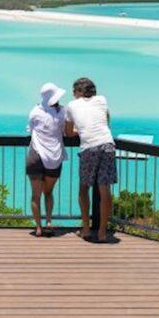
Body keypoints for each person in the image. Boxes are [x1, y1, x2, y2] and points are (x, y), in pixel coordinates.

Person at [64, 77, 115, 243]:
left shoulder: (71, 106)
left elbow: (69, 133)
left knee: (83, 188)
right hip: (107, 144)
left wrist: (79, 131)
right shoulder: (102, 100)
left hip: (89, 147)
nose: (73, 95)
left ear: (79, 91)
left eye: (74, 91)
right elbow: (106, 121)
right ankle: (102, 232)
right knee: (105, 190)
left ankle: (86, 229)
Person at [27, 82, 67, 237]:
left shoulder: (35, 111)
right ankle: (49, 221)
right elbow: (65, 131)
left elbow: (30, 129)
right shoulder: (62, 112)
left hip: (35, 155)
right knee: (48, 192)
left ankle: (38, 228)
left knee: (35, 195)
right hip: (54, 157)